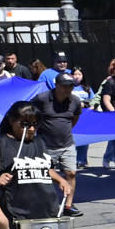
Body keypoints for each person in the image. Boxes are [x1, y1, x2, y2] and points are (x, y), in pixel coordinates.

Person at [30, 74, 85, 216]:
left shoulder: (75, 101)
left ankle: (68, 206)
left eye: (71, 86)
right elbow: (29, 113)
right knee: (45, 176)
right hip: (45, 145)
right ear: (57, 85)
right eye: (65, 86)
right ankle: (47, 204)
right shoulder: (42, 99)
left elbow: (75, 119)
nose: (68, 89)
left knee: (71, 173)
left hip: (67, 144)